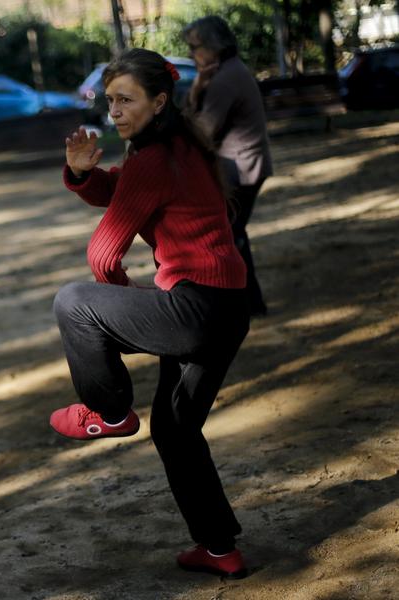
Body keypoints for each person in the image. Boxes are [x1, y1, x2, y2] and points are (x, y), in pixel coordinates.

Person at [49, 49, 250, 579]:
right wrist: (82, 176)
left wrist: (126, 308)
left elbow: (102, 255)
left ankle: (109, 412)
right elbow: (125, 193)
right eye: (109, 99)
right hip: (228, 309)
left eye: (126, 100)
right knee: (177, 431)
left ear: (159, 101)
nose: (114, 110)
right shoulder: (180, 147)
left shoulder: (154, 157)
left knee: (73, 301)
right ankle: (218, 548)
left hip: (192, 309)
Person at [183, 16, 273, 316]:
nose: (191, 54)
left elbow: (203, 132)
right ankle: (250, 303)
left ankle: (246, 304)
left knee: (230, 235)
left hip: (241, 168)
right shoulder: (227, 72)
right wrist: (196, 89)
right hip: (244, 165)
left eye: (194, 47)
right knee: (233, 233)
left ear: (214, 47)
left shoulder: (224, 79)